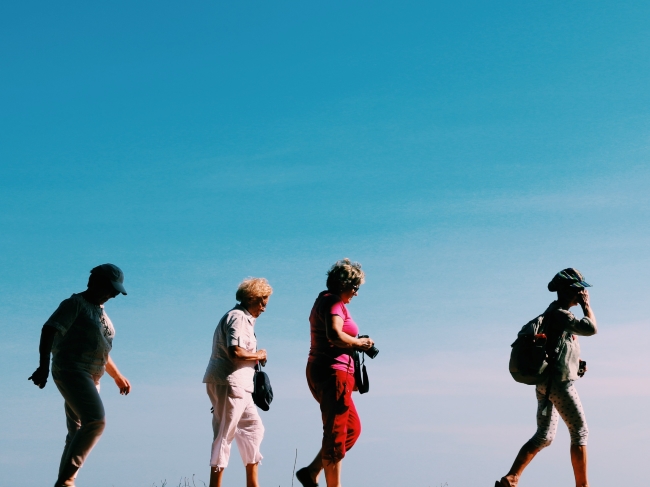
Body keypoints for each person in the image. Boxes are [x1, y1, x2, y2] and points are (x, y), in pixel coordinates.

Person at [28, 264, 132, 487]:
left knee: (76, 431)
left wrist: (116, 376)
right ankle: (66, 480)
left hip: (93, 375)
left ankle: (66, 481)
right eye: (111, 288)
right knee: (95, 420)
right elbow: (49, 329)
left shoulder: (101, 312)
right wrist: (43, 367)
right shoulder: (74, 304)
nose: (114, 294)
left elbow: (101, 348)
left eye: (116, 290)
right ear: (95, 283)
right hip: (71, 370)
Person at [496, 268, 598, 487]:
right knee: (580, 432)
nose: (582, 293)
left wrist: (576, 364)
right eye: (578, 289)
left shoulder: (555, 315)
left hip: (546, 384)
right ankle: (583, 485)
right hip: (559, 385)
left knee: (544, 435)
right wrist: (586, 306)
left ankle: (512, 478)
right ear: (568, 290)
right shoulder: (561, 314)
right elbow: (590, 328)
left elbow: (559, 348)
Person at [296, 258, 375, 487]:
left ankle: (311, 472)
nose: (356, 293)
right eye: (355, 287)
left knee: (351, 429)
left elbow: (335, 336)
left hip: (330, 371)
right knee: (336, 433)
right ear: (344, 284)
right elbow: (334, 335)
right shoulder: (333, 303)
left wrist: (355, 343)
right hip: (333, 373)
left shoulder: (324, 300)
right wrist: (358, 344)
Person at [203, 277, 272, 487]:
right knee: (224, 434)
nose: (263, 308)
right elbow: (235, 352)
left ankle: (253, 483)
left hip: (240, 385)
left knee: (254, 428)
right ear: (252, 298)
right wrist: (258, 355)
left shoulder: (241, 318)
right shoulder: (239, 318)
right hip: (230, 383)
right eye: (262, 302)